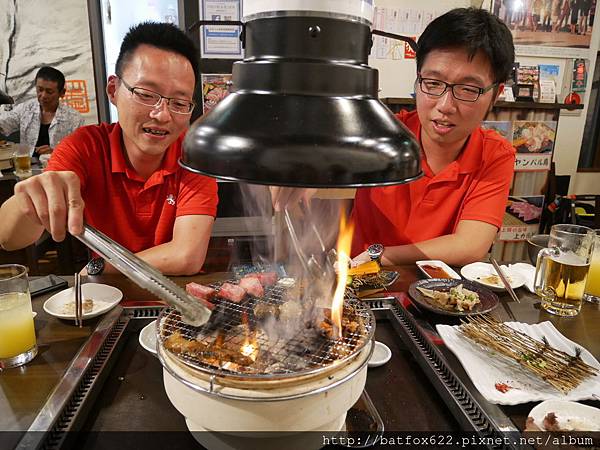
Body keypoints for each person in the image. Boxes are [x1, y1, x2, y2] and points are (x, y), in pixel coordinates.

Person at [273, 8, 516, 267]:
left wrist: (381, 255)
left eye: (468, 89)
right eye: (433, 83)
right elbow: (324, 150)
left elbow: (470, 245)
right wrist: (302, 167)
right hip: (358, 286)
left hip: (437, 295)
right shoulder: (385, 133)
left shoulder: (494, 154)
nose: (445, 105)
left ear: (496, 93)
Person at [0, 22, 218, 275]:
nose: (162, 115)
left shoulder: (194, 159)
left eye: (179, 102)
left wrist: (99, 268)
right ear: (113, 90)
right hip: (106, 299)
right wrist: (32, 199)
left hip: (175, 300)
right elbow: (9, 239)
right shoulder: (86, 147)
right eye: (146, 94)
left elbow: (186, 256)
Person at [0, 66, 84, 157]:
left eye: (49, 92)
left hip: (58, 168)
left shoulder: (75, 119)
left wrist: (55, 152)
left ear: (62, 93)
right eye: (40, 89)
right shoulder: (26, 109)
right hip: (26, 167)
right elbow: (3, 124)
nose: (43, 95)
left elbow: (80, 152)